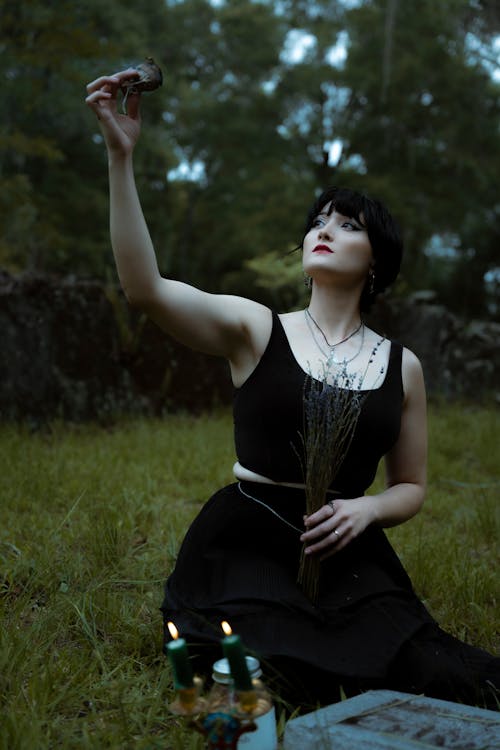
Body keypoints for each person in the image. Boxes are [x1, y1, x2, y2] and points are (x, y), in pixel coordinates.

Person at [86, 69, 499, 710]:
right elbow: (147, 289)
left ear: (378, 261)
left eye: (348, 224)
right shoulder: (256, 329)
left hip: (347, 555)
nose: (324, 229)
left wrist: (366, 510)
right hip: (246, 543)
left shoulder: (401, 366)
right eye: (318, 222)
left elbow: (412, 487)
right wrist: (121, 156)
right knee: (269, 669)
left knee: (435, 670)